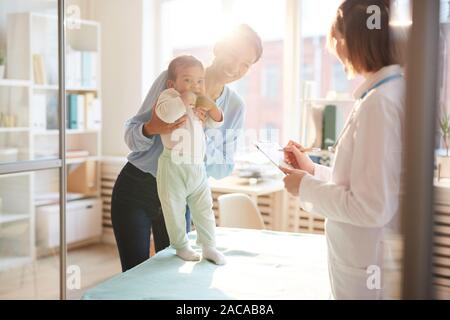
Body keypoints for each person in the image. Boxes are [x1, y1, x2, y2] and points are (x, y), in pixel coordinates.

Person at [111, 24, 263, 272]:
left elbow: (224, 166)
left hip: (184, 191)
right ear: (218, 47)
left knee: (177, 273)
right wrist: (153, 127)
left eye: (246, 64)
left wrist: (202, 135)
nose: (236, 67)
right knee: (133, 274)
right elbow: (131, 132)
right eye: (233, 54)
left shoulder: (234, 107)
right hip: (136, 188)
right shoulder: (172, 80)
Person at [281, 0, 405, 299]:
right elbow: (365, 182)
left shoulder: (379, 104)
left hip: (367, 267)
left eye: (335, 39)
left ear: (351, 39)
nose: (333, 49)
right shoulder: (385, 93)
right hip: (367, 258)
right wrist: (312, 170)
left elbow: (371, 207)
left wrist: (304, 187)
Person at [155, 55, 226, 265]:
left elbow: (216, 123)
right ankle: (181, 246)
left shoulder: (200, 100)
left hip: (197, 167)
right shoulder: (168, 97)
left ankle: (209, 246)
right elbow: (165, 115)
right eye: (187, 80)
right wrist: (183, 100)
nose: (194, 85)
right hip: (173, 165)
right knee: (174, 209)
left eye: (199, 81)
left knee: (204, 209)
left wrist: (211, 106)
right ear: (172, 83)